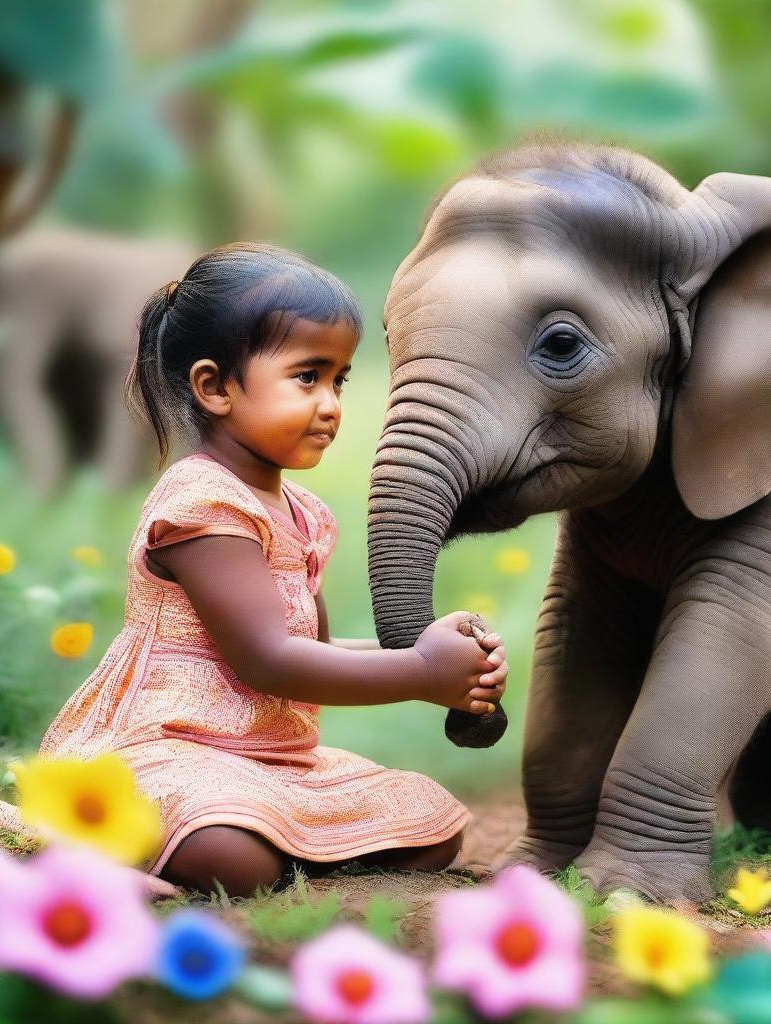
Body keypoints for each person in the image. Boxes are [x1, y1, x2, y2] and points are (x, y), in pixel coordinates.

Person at [39, 243, 508, 896]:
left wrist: (441, 655)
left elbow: (309, 651)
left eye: (339, 379)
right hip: (166, 750)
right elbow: (267, 659)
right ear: (214, 387)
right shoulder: (201, 503)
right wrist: (422, 672)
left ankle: (287, 848)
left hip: (272, 762)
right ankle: (131, 847)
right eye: (307, 376)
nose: (331, 403)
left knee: (430, 823)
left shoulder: (303, 515)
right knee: (229, 853)